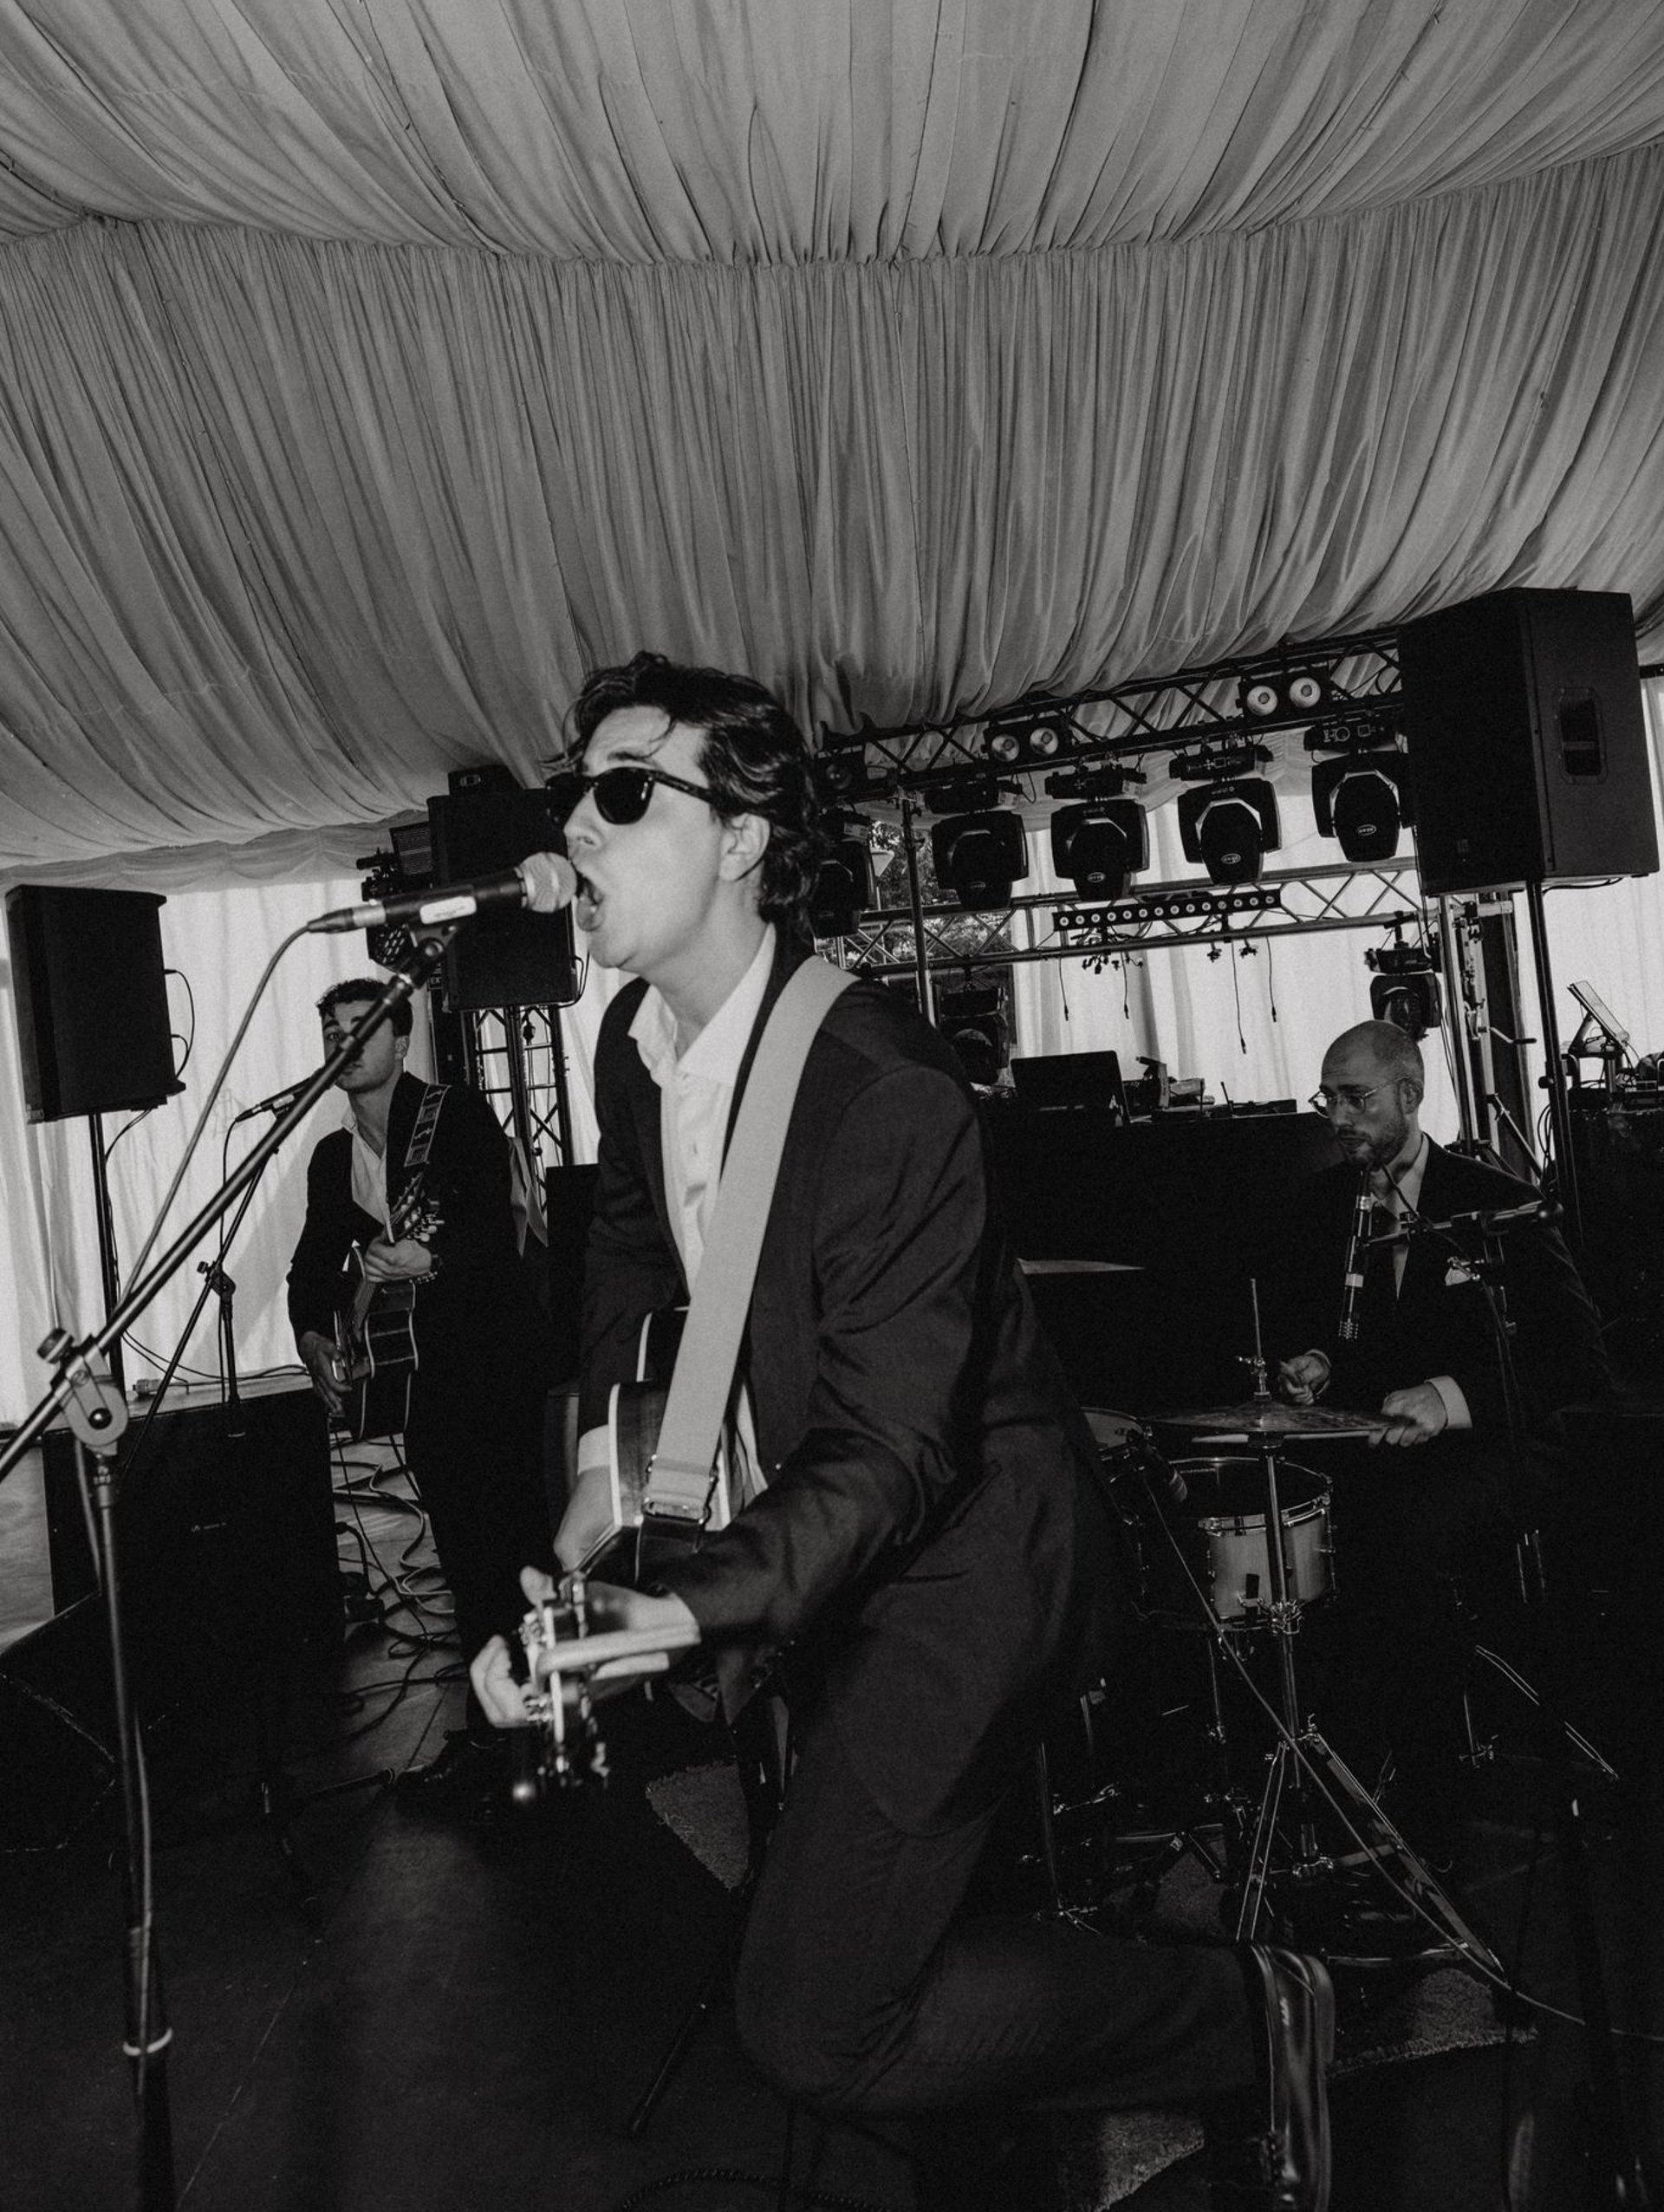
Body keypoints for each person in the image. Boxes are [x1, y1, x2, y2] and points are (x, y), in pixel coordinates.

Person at [471, 652, 1334, 2212]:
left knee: (818, 2019)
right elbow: (630, 1273)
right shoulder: (629, 1044)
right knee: (865, 1971)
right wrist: (608, 1519)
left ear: (741, 838)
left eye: (624, 792)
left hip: (969, 1558)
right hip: (825, 1529)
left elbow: (894, 1454)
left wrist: (689, 1602)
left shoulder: (880, 1087)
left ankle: (1247, 2013)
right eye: (572, 797)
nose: (578, 829)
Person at [1266, 1017, 1609, 1867]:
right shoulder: (1317, 1207)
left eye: (1355, 1098)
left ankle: (1431, 1809)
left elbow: (1578, 1360)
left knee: (1394, 1540)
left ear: (1410, 1094)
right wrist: (1315, 1365)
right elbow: (1334, 1338)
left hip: (1492, 1446)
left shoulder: (1495, 1200)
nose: (1337, 1117)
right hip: (1374, 1448)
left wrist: (1449, 1397)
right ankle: (1327, 1784)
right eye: (1327, 1099)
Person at [288, 977, 556, 1825]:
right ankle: (492, 1739)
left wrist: (429, 1261)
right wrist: (314, 1337)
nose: (344, 1042)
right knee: (464, 1562)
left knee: (514, 1551)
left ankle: (542, 1740)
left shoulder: (456, 1116)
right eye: (332, 1030)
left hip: (495, 1367)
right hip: (424, 1385)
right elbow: (311, 1266)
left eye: (361, 1027)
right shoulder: (333, 1159)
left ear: (401, 1042)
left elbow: (497, 1231)